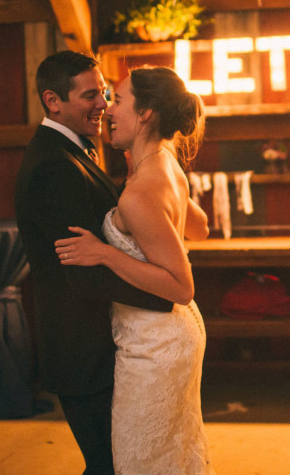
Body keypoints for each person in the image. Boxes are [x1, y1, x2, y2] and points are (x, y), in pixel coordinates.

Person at [15, 51, 175, 473]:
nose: (103, 104)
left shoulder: (74, 153)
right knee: (108, 465)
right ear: (53, 100)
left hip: (103, 343)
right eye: (90, 95)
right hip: (82, 348)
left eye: (104, 93)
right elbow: (81, 274)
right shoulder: (53, 166)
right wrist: (164, 296)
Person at [54, 66, 214, 473]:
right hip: (175, 334)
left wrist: (106, 253)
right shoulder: (165, 165)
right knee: (175, 454)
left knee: (140, 460)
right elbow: (201, 228)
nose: (109, 109)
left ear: (144, 114)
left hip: (156, 344)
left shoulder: (141, 191)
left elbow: (181, 287)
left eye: (119, 100)